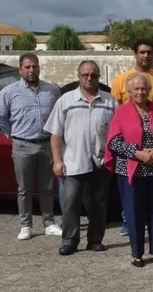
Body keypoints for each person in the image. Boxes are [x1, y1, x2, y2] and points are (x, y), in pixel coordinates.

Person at [45, 60, 117, 255]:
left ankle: (95, 239)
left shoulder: (110, 102)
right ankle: (69, 240)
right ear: (78, 76)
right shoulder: (65, 101)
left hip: (101, 162)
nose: (89, 78)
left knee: (99, 204)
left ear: (98, 77)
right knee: (70, 203)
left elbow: (117, 134)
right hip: (73, 161)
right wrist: (58, 160)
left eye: (93, 75)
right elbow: (55, 134)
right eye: (85, 74)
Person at [104, 72, 153, 267]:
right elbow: (114, 143)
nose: (140, 92)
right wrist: (138, 154)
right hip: (130, 170)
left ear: (149, 90)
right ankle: (137, 253)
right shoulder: (121, 112)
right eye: (136, 89)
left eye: (144, 88)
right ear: (129, 91)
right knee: (134, 211)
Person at [0, 53, 62, 241]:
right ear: (20, 70)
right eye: (28, 67)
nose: (32, 70)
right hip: (23, 146)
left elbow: (59, 116)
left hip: (47, 145)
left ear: (39, 68)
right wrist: (13, 133)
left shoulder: (52, 91)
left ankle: (49, 222)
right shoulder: (9, 92)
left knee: (47, 187)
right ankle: (26, 225)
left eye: (35, 67)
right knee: (24, 189)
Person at [110, 39, 153, 104]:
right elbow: (114, 106)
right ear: (135, 54)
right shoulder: (120, 79)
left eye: (149, 53)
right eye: (142, 52)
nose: (146, 56)